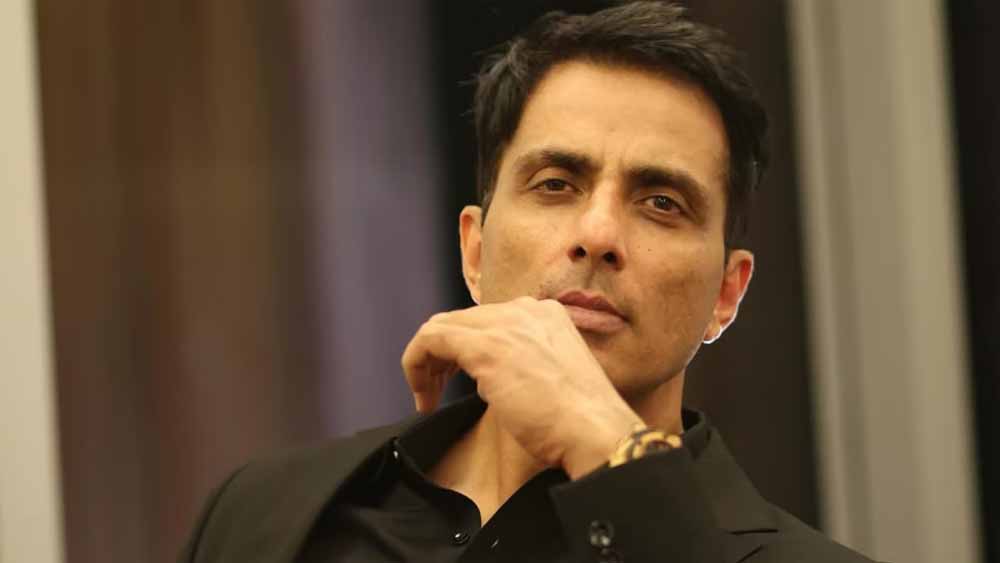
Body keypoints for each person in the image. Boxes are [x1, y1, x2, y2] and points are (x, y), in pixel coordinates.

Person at [180, 3, 879, 562]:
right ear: (474, 250)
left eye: (662, 202)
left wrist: (609, 452)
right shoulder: (267, 512)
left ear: (727, 293)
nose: (597, 234)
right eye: (555, 184)